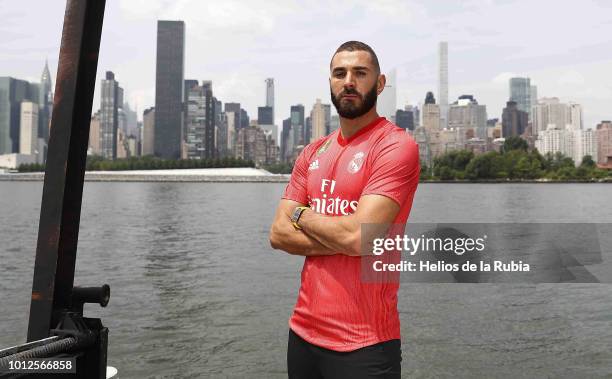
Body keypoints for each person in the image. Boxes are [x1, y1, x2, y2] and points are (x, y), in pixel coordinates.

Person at [269, 40, 420, 379]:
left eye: (360, 73)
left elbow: (359, 238)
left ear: (379, 84)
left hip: (365, 343)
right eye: (340, 73)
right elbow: (278, 234)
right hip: (303, 333)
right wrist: (348, 238)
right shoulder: (312, 152)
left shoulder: (395, 146)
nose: (349, 81)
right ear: (331, 83)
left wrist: (301, 216)